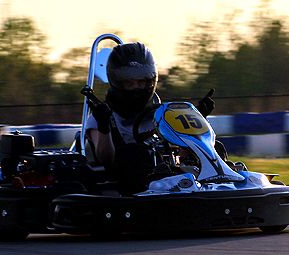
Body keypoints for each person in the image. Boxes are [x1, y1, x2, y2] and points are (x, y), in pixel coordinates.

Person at [85, 42, 215, 193]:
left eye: (141, 82)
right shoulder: (101, 116)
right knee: (135, 153)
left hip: (165, 181)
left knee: (215, 148)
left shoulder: (160, 113)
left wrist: (198, 118)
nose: (137, 88)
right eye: (130, 83)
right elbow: (105, 159)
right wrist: (104, 126)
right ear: (117, 82)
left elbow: (181, 155)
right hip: (123, 186)